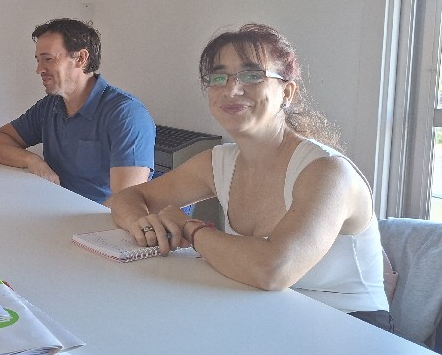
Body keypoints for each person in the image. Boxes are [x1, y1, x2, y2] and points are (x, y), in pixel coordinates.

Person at [110, 23, 391, 330]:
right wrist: (141, 224)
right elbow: (128, 197)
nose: (231, 90)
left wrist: (191, 228)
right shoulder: (218, 162)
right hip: (265, 313)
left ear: (287, 92)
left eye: (252, 75)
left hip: (350, 329)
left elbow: (273, 269)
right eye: (218, 78)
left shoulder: (328, 172)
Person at [0, 18, 155, 206]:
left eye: (48, 59)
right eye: (38, 60)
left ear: (81, 58)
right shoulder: (49, 106)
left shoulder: (127, 115)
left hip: (97, 218)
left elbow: (126, 203)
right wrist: (32, 160)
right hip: (51, 207)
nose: (39, 69)